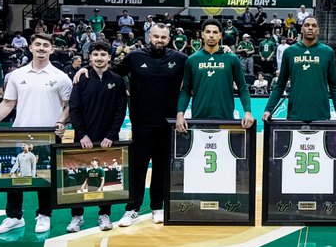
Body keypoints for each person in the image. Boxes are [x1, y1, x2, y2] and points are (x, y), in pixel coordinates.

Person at [0, 33, 72, 236]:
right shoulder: (17, 75)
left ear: (52, 50)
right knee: (15, 175)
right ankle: (14, 217)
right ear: (30, 47)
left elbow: (68, 106)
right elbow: (8, 103)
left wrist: (61, 122)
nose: (41, 48)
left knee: (46, 177)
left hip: (48, 135)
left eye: (46, 45)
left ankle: (44, 214)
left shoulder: (61, 77)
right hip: (20, 133)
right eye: (38, 44)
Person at [103, 22, 187, 228]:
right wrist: (85, 71)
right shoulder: (135, 57)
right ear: (150, 36)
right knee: (138, 168)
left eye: (163, 37)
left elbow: (199, 69)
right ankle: (132, 209)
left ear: (169, 39)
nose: (159, 40)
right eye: (156, 36)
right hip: (141, 124)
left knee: (161, 169)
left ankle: (157, 206)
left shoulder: (180, 59)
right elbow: (112, 74)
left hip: (167, 125)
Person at [66, 42, 127, 233]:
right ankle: (77, 217)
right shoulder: (81, 79)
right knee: (79, 175)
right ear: (90, 57)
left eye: (103, 54)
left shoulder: (117, 80)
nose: (99, 58)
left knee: (105, 174)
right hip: (82, 137)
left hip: (108, 138)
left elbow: (120, 110)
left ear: (109, 57)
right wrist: (82, 134)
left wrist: (111, 135)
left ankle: (104, 214)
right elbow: (74, 109)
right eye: (95, 55)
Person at [263, 15, 336, 123]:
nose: (310, 28)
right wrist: (268, 109)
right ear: (301, 29)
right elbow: (280, 85)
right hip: (295, 113)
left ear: (318, 30)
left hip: (321, 114)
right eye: (307, 25)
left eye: (314, 25)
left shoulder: (327, 52)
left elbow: (334, 86)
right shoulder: (290, 52)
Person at [176, 19, 254, 130]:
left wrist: (247, 112)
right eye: (208, 32)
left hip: (226, 119)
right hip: (199, 119)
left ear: (220, 35)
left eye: (215, 32)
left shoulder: (232, 58)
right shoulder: (192, 60)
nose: (211, 35)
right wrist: (180, 114)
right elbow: (185, 90)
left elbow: (242, 87)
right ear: (202, 34)